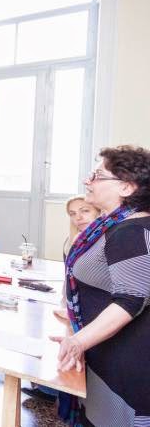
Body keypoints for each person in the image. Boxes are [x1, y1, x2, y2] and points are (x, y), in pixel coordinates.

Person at [52, 145, 150, 427]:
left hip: (126, 364)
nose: (88, 181)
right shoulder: (110, 225)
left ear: (126, 187)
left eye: (97, 175)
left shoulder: (132, 231)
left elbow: (130, 301)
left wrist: (78, 341)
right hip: (105, 351)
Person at [22, 195, 101, 405]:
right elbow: (69, 278)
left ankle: (57, 389)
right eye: (73, 214)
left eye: (85, 211)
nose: (78, 218)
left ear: (99, 211)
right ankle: (52, 387)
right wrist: (64, 303)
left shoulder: (102, 240)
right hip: (74, 304)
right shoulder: (73, 240)